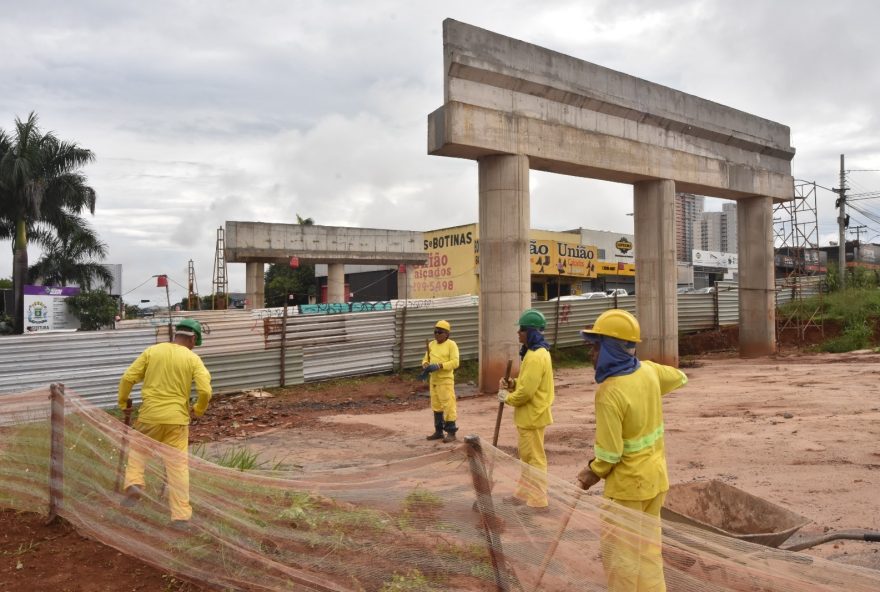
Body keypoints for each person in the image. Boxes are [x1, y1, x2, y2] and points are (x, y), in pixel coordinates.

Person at [576, 309, 688, 592]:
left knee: (622, 559)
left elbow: (610, 454)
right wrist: (646, 386)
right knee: (648, 554)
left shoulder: (609, 392)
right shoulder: (649, 371)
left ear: (611, 348)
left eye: (595, 346)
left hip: (627, 490)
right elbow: (679, 377)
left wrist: (592, 472)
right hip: (655, 481)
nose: (591, 354)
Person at [118, 318, 212, 528]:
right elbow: (206, 390)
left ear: (176, 334)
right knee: (177, 466)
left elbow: (128, 378)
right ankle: (180, 517)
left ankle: (134, 483)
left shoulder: (152, 351)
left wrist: (123, 402)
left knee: (138, 451)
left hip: (149, 417)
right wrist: (198, 410)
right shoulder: (193, 359)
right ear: (193, 339)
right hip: (177, 421)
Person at [497, 308, 554, 511]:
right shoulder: (533, 353)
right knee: (526, 458)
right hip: (528, 416)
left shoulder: (537, 356)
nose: (518, 333)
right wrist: (512, 383)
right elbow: (526, 383)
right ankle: (523, 495)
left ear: (531, 332)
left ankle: (538, 501)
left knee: (534, 460)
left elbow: (527, 393)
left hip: (533, 415)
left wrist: (508, 397)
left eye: (521, 329)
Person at [422, 319, 460, 443]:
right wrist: (426, 365)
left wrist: (439, 366)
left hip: (445, 381)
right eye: (435, 332)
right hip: (434, 380)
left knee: (448, 406)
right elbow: (424, 359)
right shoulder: (431, 345)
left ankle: (451, 432)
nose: (437, 334)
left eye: (440, 332)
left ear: (447, 334)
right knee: (436, 406)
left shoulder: (451, 345)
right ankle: (438, 431)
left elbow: (455, 362)